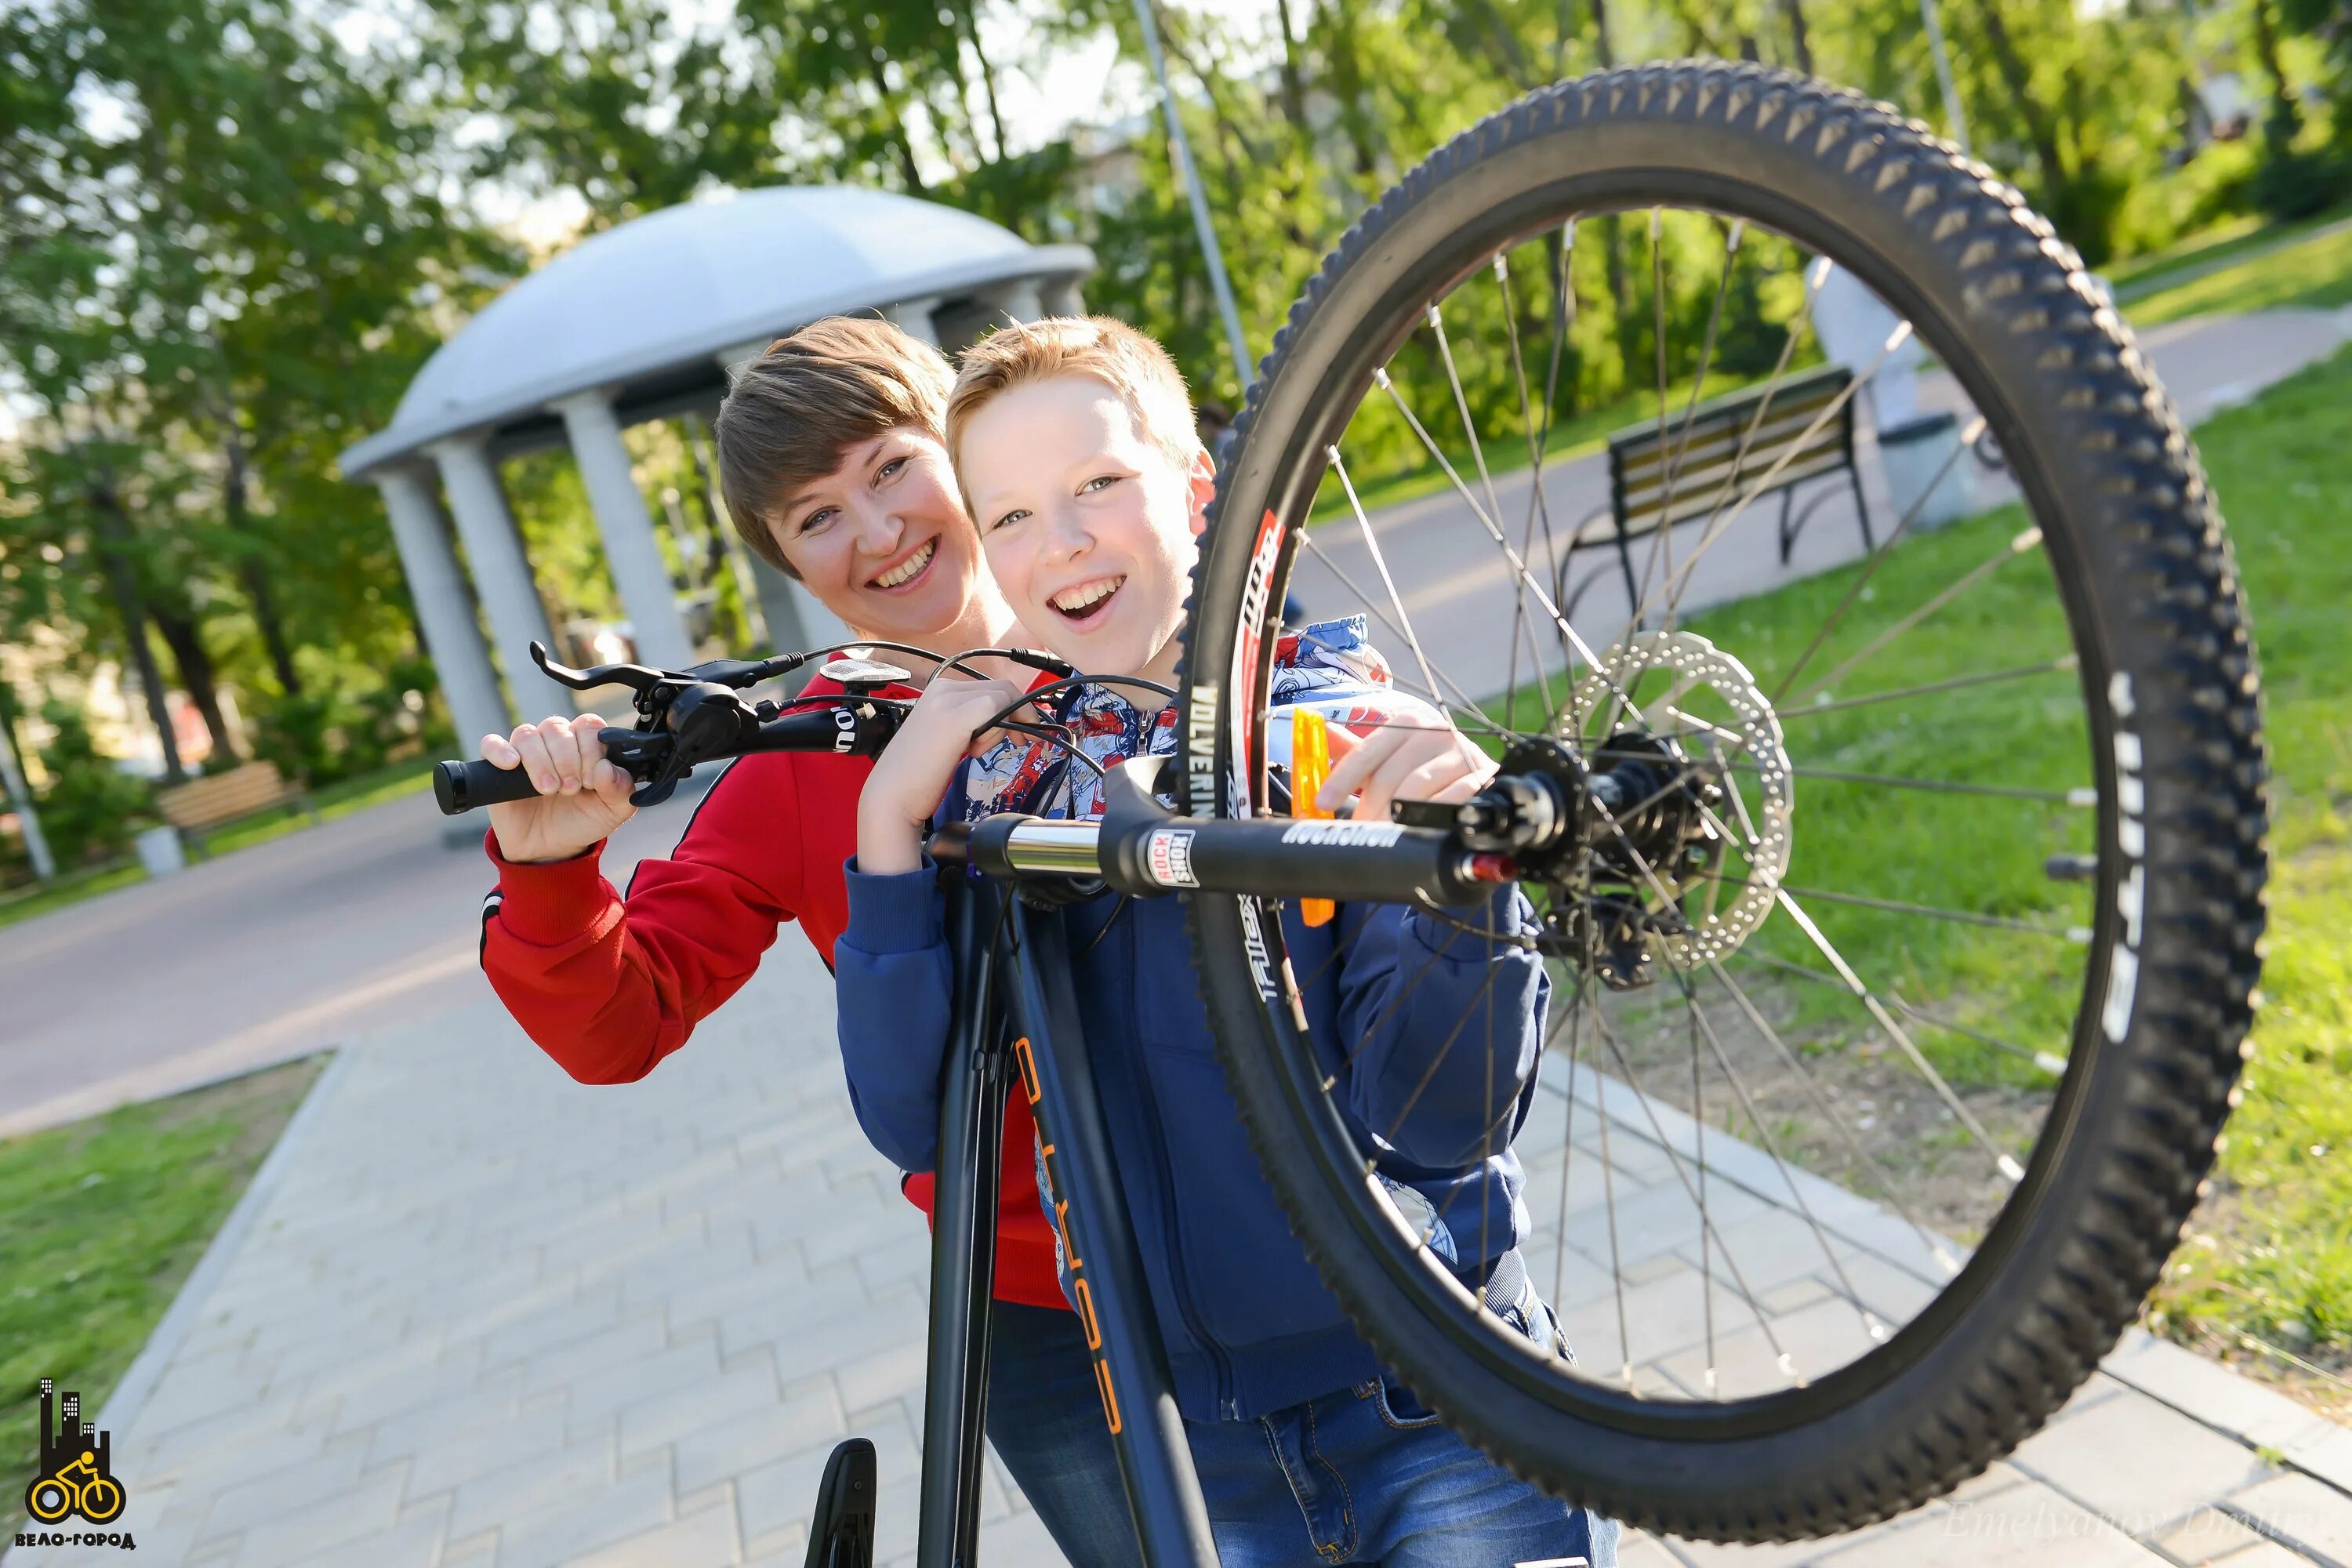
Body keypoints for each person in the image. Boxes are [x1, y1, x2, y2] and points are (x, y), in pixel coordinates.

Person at [837, 315, 1619, 1566]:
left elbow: (1442, 1119)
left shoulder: (1348, 736)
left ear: (1203, 492)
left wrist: (1467, 894)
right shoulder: (1010, 798)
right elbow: (918, 1124)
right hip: (1196, 1451)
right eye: (1014, 518)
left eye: (1099, 484)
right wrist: (890, 824)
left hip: (1435, 1393)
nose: (1066, 541)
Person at [470, 316, 1138, 1566]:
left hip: (1273, 1212)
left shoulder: (1137, 622)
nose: (878, 533)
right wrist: (552, 869)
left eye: (891, 467)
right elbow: (618, 1022)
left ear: (960, 440)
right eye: (817, 517)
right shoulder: (801, 758)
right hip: (1044, 1300)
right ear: (784, 559)